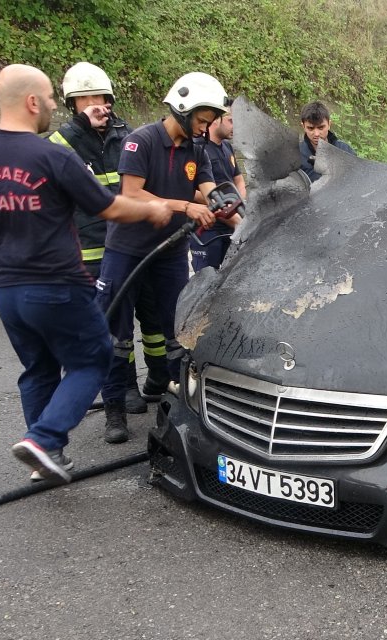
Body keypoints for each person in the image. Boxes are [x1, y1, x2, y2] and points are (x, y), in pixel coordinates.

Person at [0, 64, 172, 483]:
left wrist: (3, 237)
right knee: (93, 359)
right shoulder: (52, 155)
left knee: (38, 369)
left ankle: (47, 460)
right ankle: (45, 439)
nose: (53, 104)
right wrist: (156, 208)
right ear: (32, 102)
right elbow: (109, 207)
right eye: (50, 97)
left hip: (5, 288)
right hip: (56, 283)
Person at [95, 71, 223, 444]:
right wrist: (185, 205)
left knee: (178, 327)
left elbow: (208, 190)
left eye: (210, 122)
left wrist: (229, 204)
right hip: (127, 250)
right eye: (202, 120)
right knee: (116, 331)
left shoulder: (197, 149)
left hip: (169, 252)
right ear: (182, 110)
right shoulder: (141, 141)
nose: (205, 128)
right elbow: (132, 194)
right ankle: (115, 408)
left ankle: (179, 401)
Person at [48, 61, 166, 418]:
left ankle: (160, 380)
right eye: (86, 99)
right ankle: (123, 389)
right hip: (91, 250)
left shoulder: (128, 137)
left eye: (101, 97)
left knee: (155, 319)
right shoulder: (60, 144)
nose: (96, 105)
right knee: (116, 326)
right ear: (73, 105)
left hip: (136, 245)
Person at [191, 100, 246, 271]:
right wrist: (225, 210)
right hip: (208, 230)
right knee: (207, 281)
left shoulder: (227, 147)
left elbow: (238, 179)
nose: (235, 126)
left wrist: (237, 205)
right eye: (231, 120)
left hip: (232, 226)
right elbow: (192, 191)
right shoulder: (198, 149)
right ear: (216, 119)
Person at [298, 100, 356, 182]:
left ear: (329, 124)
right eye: (311, 128)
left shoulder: (345, 150)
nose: (316, 134)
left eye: (321, 127)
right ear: (303, 126)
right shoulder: (296, 156)